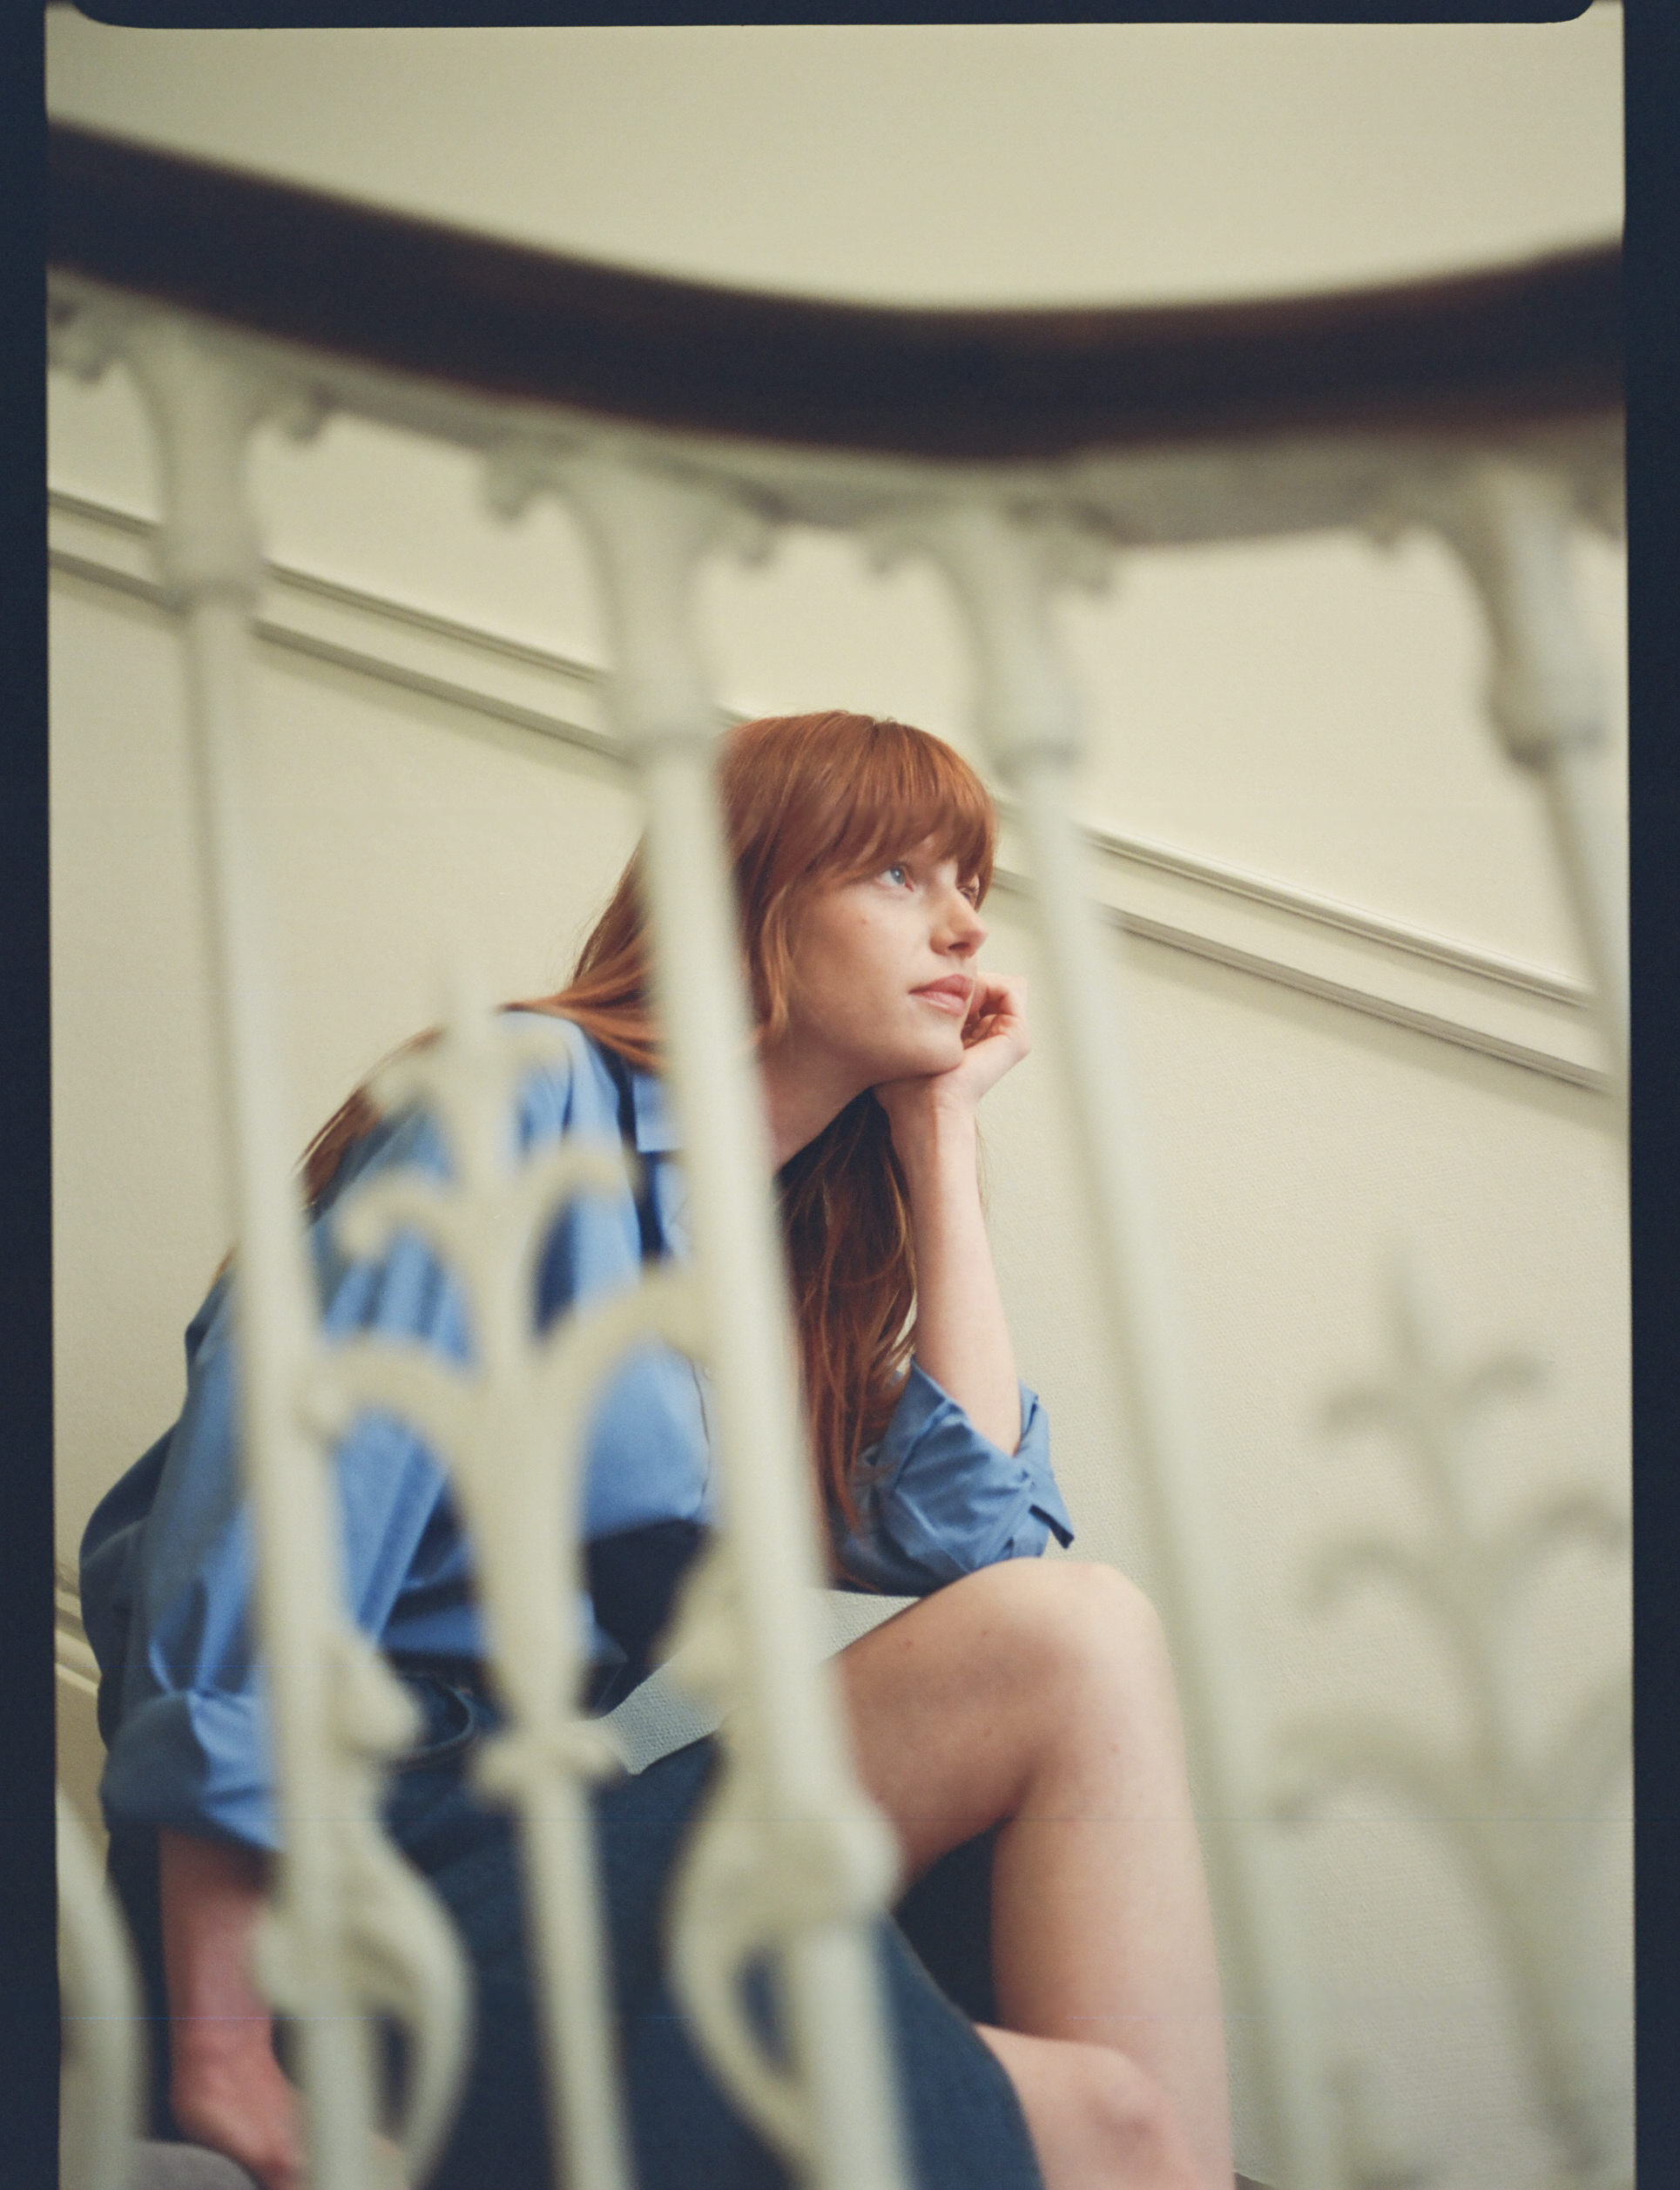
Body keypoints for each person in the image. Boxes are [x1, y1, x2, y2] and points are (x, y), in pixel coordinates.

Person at [81, 711, 1234, 2190]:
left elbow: (984, 1548)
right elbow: (271, 1525)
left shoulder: (768, 1263)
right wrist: (222, 2031)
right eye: (894, 872)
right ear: (741, 903)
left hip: (539, 1839)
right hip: (348, 1884)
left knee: (1080, 1712)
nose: (961, 923)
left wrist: (936, 1137)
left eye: (970, 880)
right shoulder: (522, 1099)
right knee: (1115, 2093)